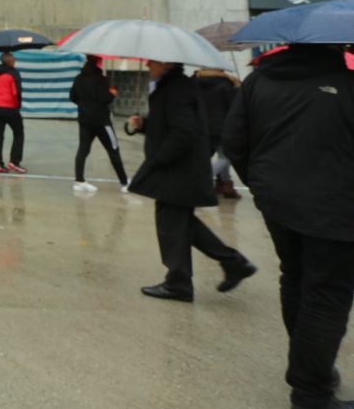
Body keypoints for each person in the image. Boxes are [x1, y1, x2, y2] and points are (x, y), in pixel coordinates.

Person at [224, 44, 354, 409]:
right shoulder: (344, 84)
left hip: (279, 204)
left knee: (296, 279)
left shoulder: (258, 81)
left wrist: (263, 186)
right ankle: (311, 394)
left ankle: (312, 368)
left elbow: (234, 143)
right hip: (337, 210)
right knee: (326, 296)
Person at [125, 59, 255, 303]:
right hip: (181, 171)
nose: (147, 65)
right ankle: (232, 263)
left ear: (166, 63)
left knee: (171, 223)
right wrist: (144, 125)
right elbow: (172, 125)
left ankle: (180, 282)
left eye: (152, 62)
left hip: (178, 172)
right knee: (181, 224)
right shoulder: (175, 85)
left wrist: (156, 160)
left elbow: (182, 132)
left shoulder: (177, 88)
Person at [68, 55, 129, 192]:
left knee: (83, 149)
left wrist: (84, 106)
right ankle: (124, 183)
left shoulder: (79, 78)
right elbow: (104, 99)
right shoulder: (101, 79)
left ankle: (79, 181)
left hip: (84, 120)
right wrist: (112, 93)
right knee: (113, 150)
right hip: (102, 122)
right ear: (99, 62)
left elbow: (72, 96)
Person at [193, 67, 242, 199]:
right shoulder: (226, 84)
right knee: (226, 157)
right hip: (222, 127)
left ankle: (227, 186)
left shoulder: (195, 81)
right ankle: (201, 181)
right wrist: (238, 87)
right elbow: (236, 106)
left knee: (219, 156)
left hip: (202, 126)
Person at [0, 52, 27, 174]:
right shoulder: (13, 73)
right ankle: (14, 162)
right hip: (10, 108)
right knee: (19, 134)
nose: (15, 60)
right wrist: (17, 106)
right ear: (10, 61)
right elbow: (16, 93)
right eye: (13, 58)